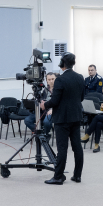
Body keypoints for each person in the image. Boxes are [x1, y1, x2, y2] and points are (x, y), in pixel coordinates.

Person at [40, 53, 84, 185]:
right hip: (76, 116)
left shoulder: (60, 79)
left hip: (62, 118)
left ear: (62, 64)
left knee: (62, 148)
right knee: (77, 147)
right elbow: (82, 97)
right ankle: (77, 175)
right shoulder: (80, 77)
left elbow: (55, 100)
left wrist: (45, 105)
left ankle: (58, 177)